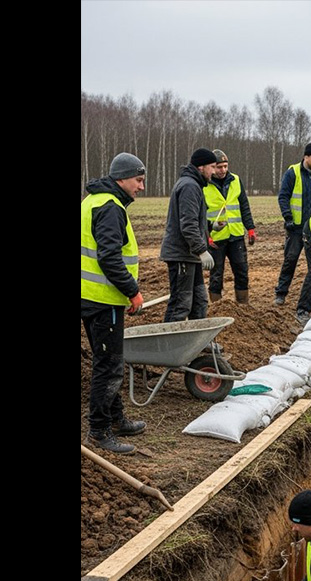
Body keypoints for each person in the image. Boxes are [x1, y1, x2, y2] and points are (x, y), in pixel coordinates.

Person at [81, 153, 148, 454]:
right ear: (122, 178)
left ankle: (116, 418)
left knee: (110, 361)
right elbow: (109, 257)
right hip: (103, 299)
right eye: (138, 179)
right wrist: (132, 291)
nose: (141, 186)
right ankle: (99, 430)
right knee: (108, 366)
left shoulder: (94, 201)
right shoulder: (109, 207)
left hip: (92, 297)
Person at [160, 148, 219, 322]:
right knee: (181, 303)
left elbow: (192, 220)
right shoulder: (189, 186)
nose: (214, 172)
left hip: (190, 256)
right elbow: (187, 225)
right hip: (181, 256)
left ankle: (198, 343)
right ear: (201, 167)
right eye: (213, 167)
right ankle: (168, 346)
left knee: (199, 300)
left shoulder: (193, 184)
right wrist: (202, 250)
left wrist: (210, 226)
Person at [275, 142, 311, 306]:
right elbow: (283, 197)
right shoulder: (292, 173)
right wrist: (287, 217)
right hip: (296, 227)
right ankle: (281, 293)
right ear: (305, 157)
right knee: (290, 259)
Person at [204, 149, 257, 304]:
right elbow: (200, 215)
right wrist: (207, 235)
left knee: (242, 272)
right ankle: (216, 307)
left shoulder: (236, 180)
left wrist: (251, 228)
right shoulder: (204, 185)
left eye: (225, 166)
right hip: (216, 239)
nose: (223, 170)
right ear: (212, 167)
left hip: (236, 236)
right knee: (216, 276)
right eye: (219, 167)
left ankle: (243, 306)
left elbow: (244, 206)